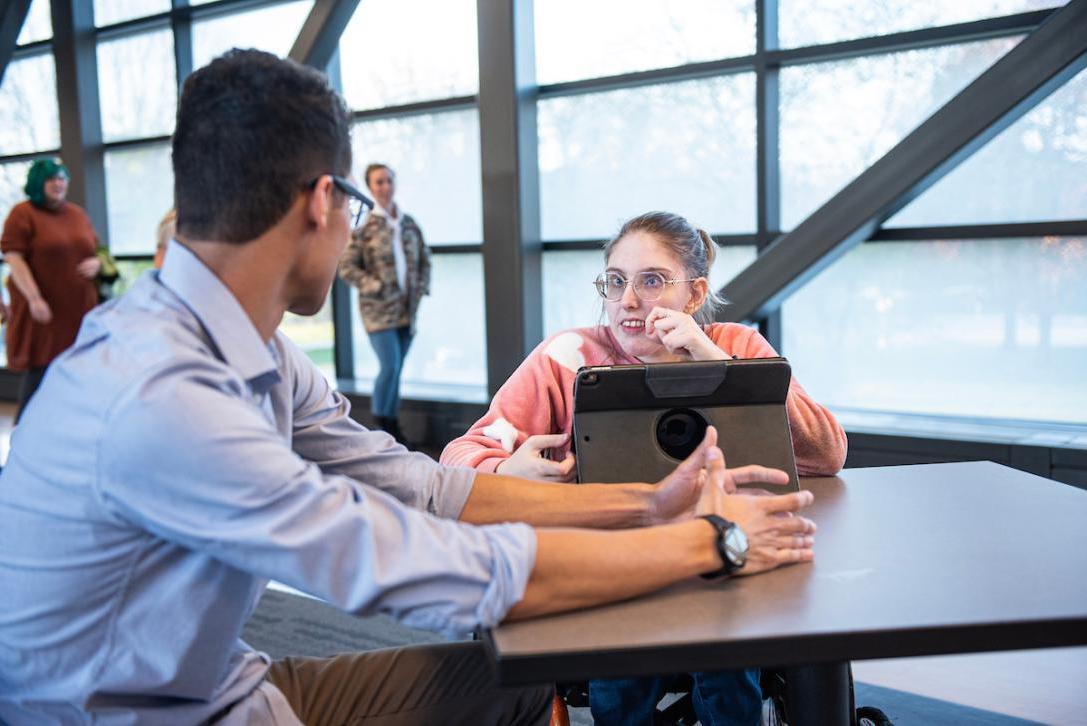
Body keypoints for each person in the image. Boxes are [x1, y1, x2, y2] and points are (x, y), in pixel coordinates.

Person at [0, 50, 817, 726]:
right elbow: (424, 569)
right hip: (139, 715)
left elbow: (423, 487)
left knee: (517, 688)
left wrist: (645, 507)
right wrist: (715, 540)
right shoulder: (164, 395)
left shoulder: (252, 350)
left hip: (221, 683)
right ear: (324, 202)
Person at [442, 211, 848, 725]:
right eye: (616, 282)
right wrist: (503, 471)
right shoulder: (568, 357)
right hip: (615, 562)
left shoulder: (736, 347)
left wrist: (713, 361)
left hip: (723, 559)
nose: (628, 301)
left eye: (651, 281)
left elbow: (826, 452)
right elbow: (462, 452)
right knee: (620, 682)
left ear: (694, 294)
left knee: (728, 677)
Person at [0, 158, 102, 422]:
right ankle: (24, 438)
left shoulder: (77, 214)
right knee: (42, 372)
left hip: (78, 309)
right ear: (38, 183)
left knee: (79, 369)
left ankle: (72, 430)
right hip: (43, 312)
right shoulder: (23, 214)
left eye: (62, 178)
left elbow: (96, 250)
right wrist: (34, 298)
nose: (58, 183)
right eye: (51, 179)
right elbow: (14, 258)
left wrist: (97, 263)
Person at [338, 163, 429, 444]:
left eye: (388, 180)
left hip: (407, 311)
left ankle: (393, 424)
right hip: (378, 312)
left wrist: (422, 287)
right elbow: (347, 266)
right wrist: (374, 286)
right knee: (389, 366)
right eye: (378, 182)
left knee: (397, 368)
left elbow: (425, 258)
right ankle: (380, 426)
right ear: (370, 187)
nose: (384, 187)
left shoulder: (408, 223)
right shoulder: (364, 226)